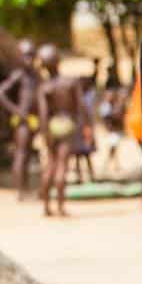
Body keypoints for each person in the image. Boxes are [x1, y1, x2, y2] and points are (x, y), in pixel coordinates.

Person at [37, 43, 86, 217]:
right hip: (67, 125)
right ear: (58, 61)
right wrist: (86, 129)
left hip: (52, 126)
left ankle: (46, 207)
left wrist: (45, 133)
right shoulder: (70, 83)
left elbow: (43, 114)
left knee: (49, 165)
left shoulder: (44, 87)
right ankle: (60, 207)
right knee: (62, 168)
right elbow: (81, 108)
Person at [0, 37, 41, 200]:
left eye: (31, 55)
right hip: (22, 120)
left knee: (28, 154)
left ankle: (26, 188)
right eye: (25, 56)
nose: (29, 59)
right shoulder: (19, 75)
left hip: (33, 120)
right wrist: (18, 111)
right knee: (21, 154)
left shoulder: (35, 75)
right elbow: (0, 93)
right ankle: (21, 191)